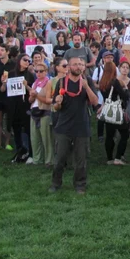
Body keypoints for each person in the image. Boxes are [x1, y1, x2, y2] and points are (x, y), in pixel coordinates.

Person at [49, 57, 98, 194]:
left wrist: (86, 86)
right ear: (69, 67)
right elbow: (55, 107)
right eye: (76, 64)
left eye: (81, 64)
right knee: (59, 159)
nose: (79, 66)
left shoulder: (87, 81)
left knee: (81, 160)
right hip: (64, 126)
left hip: (82, 126)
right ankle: (55, 183)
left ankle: (80, 185)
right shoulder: (61, 82)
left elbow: (95, 102)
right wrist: (58, 102)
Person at [2, 54, 35, 163]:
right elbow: (2, 90)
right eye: (25, 60)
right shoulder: (11, 73)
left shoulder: (29, 75)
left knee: (27, 129)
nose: (27, 62)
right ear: (19, 60)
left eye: (28, 60)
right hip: (13, 105)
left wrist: (26, 86)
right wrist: (3, 83)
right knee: (15, 128)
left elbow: (33, 91)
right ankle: (19, 151)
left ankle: (30, 152)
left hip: (25, 105)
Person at [98, 61, 130, 165]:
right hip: (117, 111)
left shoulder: (102, 82)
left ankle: (109, 158)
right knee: (125, 135)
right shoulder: (115, 82)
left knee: (109, 135)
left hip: (108, 111)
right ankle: (118, 158)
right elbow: (125, 96)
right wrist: (125, 89)